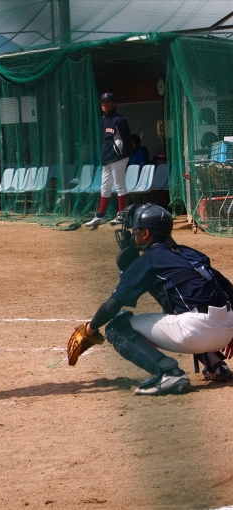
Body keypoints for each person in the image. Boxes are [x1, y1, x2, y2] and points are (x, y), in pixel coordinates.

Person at [78, 203, 233, 395]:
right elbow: (228, 289)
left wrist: (90, 329)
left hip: (196, 331)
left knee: (116, 326)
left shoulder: (148, 259)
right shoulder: (190, 253)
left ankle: (169, 373)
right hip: (227, 329)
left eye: (135, 229)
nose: (131, 234)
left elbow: (113, 304)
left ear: (146, 234)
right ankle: (216, 364)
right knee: (177, 303)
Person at [85, 92, 132, 227]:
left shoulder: (119, 119)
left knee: (119, 185)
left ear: (114, 104)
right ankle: (100, 216)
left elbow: (126, 140)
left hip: (118, 157)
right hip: (107, 159)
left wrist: (124, 155)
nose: (104, 104)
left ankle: (122, 215)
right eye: (103, 102)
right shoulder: (103, 119)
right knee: (105, 187)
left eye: (107, 102)